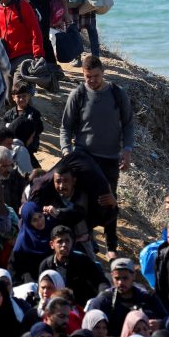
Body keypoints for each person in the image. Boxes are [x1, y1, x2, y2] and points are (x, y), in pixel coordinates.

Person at [61, 55, 135, 257]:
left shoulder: (117, 94)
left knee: (109, 199)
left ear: (103, 73)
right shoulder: (78, 94)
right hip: (84, 156)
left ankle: (111, 246)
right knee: (83, 198)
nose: (92, 81)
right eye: (87, 77)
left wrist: (127, 150)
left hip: (110, 157)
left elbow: (128, 124)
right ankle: (88, 239)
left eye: (95, 76)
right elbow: (66, 127)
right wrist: (67, 151)